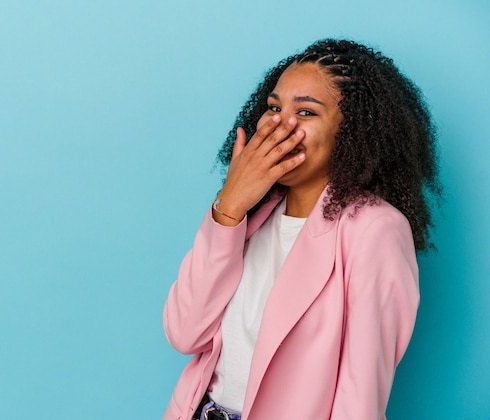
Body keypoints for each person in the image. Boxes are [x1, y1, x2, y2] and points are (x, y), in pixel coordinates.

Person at [162, 39, 441, 420]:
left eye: (306, 111)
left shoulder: (375, 229)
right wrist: (229, 206)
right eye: (274, 107)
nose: (279, 123)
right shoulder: (246, 216)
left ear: (353, 132)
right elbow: (184, 334)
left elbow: (359, 398)